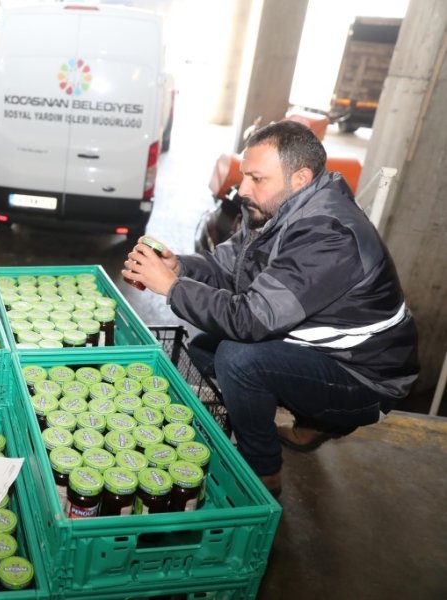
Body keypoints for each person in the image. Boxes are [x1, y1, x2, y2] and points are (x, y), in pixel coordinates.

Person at [123, 120, 418, 496]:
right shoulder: (273, 212)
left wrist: (171, 288)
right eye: (244, 175)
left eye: (256, 179)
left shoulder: (329, 236)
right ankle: (314, 420)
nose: (243, 189)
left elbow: (251, 320)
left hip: (365, 376)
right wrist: (180, 267)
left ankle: (264, 472)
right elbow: (226, 267)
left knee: (238, 359)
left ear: (300, 178)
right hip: (317, 350)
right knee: (203, 348)